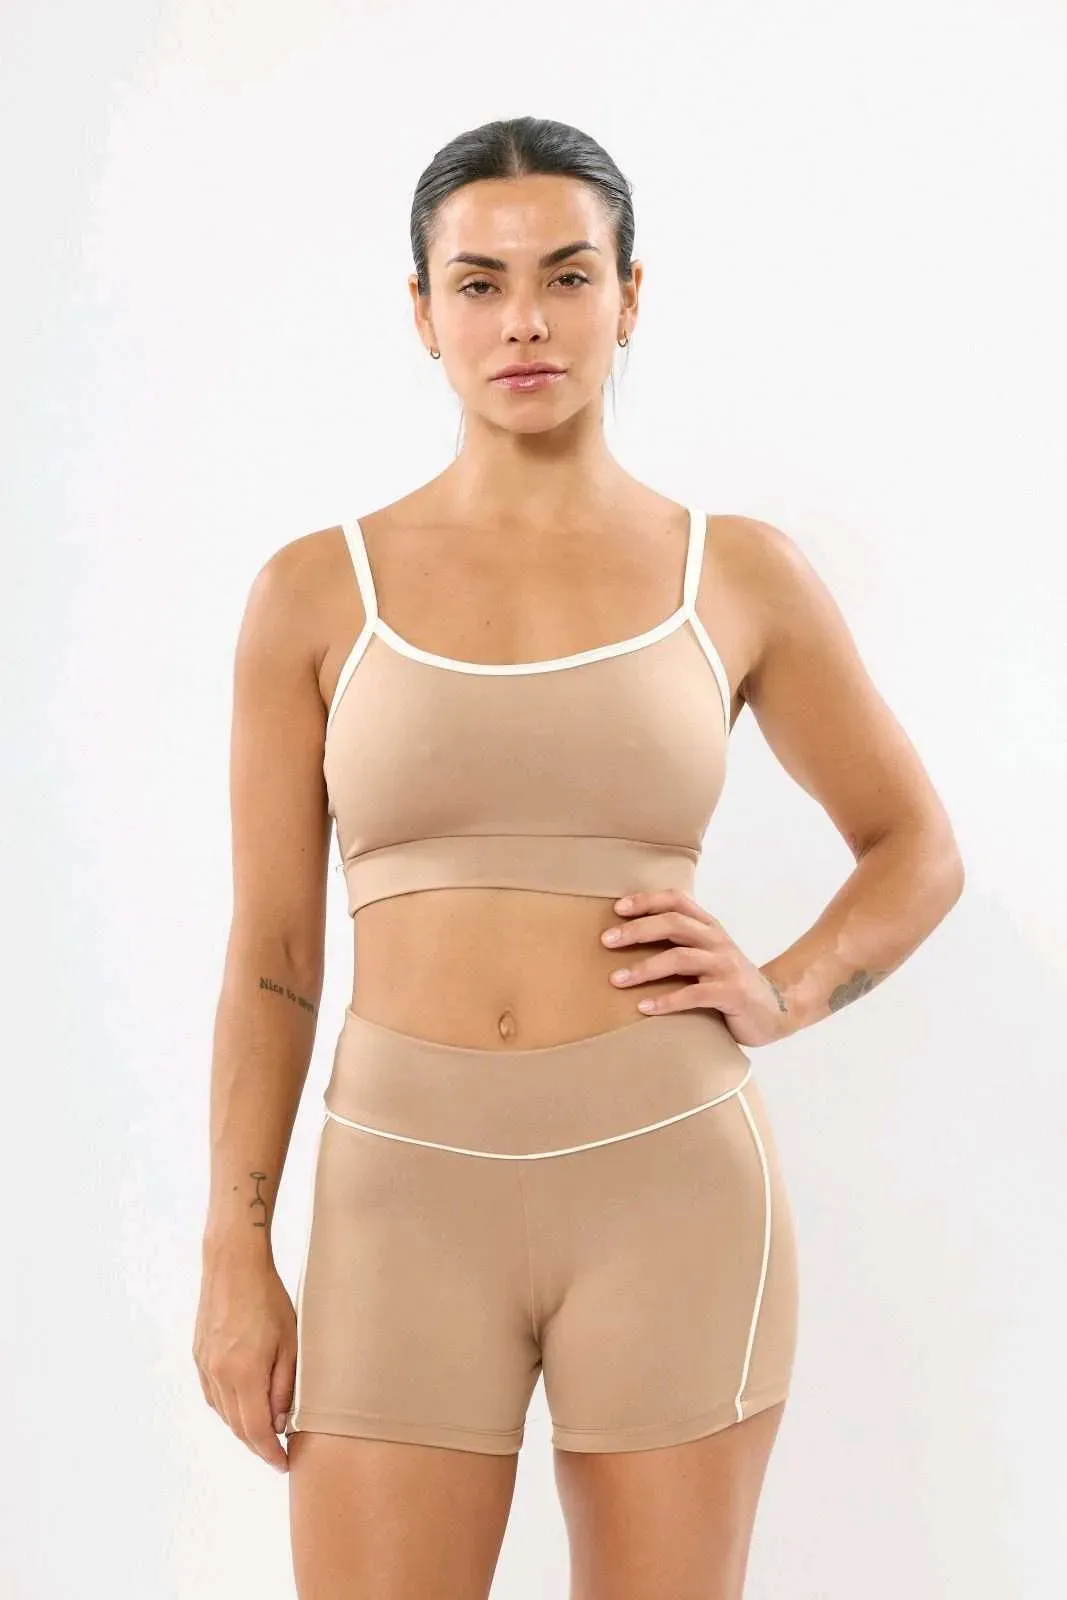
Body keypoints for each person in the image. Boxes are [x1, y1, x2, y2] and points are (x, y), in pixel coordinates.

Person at [193, 115, 965, 1599]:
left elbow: (914, 849)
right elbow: (274, 960)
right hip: (399, 1200)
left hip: (669, 1186)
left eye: (566, 275)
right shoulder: (313, 592)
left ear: (629, 296)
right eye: (478, 284)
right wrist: (237, 1251)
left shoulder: (735, 573)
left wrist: (788, 991)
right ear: (422, 312)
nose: (526, 321)